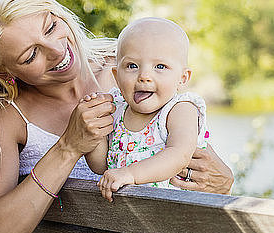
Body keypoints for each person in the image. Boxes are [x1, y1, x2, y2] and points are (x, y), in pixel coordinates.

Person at [0, 0, 234, 233]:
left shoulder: (127, 65)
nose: (57, 51)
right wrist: (68, 147)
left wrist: (223, 184)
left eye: (52, 27)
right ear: (4, 72)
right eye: (31, 55)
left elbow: (186, 155)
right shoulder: (7, 118)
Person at [84, 18, 210, 201]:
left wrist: (130, 174)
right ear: (116, 76)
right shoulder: (117, 109)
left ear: (182, 78)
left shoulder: (180, 109)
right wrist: (94, 132)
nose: (144, 76)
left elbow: (179, 154)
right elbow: (100, 166)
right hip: (128, 217)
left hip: (175, 214)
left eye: (160, 66)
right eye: (132, 66)